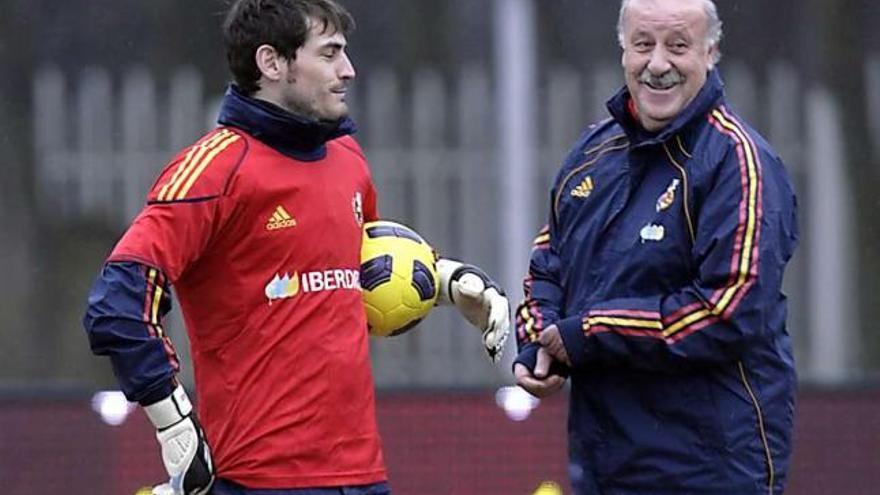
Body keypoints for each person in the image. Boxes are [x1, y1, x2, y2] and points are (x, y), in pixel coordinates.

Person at [82, 1, 510, 494]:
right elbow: (117, 303)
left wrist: (449, 282)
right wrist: (175, 427)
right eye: (329, 54)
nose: (347, 70)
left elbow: (353, 273)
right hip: (258, 480)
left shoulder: (348, 158)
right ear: (272, 63)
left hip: (364, 476)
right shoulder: (215, 169)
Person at [513, 0, 798, 494]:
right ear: (624, 51)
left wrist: (587, 333)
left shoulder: (738, 163)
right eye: (643, 44)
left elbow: (726, 313)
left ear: (711, 53)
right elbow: (550, 262)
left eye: (678, 46)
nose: (658, 64)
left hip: (710, 469)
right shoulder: (591, 152)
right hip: (602, 462)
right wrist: (540, 340)